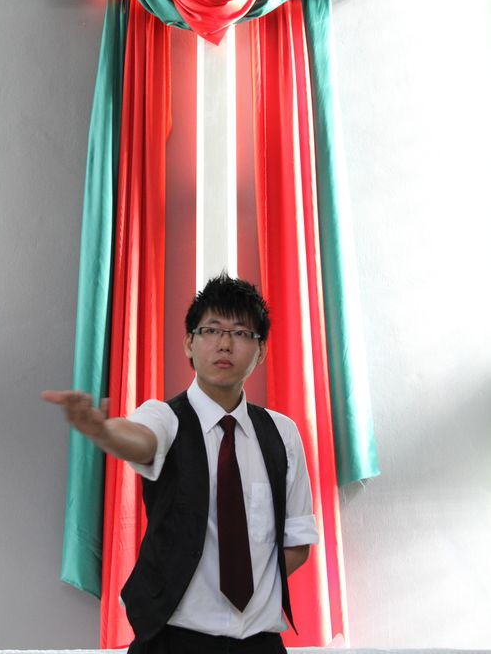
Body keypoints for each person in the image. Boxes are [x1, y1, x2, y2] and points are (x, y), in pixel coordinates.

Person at [43, 273, 318, 654]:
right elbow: (140, 439)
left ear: (261, 350)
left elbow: (298, 542)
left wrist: (255, 587)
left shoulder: (282, 433)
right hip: (173, 640)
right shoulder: (165, 417)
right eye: (211, 330)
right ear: (189, 343)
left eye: (241, 333)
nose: (224, 344)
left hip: (260, 643)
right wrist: (104, 432)